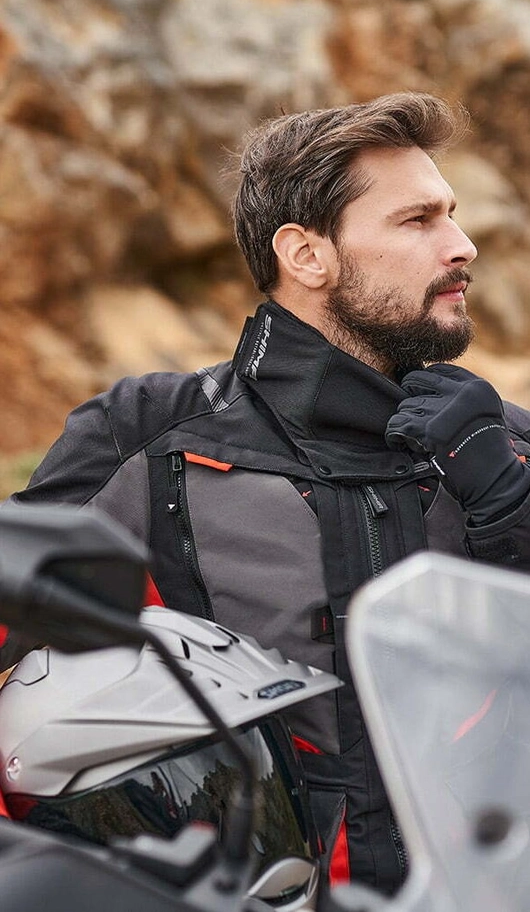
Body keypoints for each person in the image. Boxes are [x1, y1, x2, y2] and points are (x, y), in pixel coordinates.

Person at [4, 92, 530, 896]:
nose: (462, 244)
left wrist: (512, 508)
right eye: (418, 219)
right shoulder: (143, 435)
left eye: (451, 214)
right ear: (306, 255)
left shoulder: (504, 445)